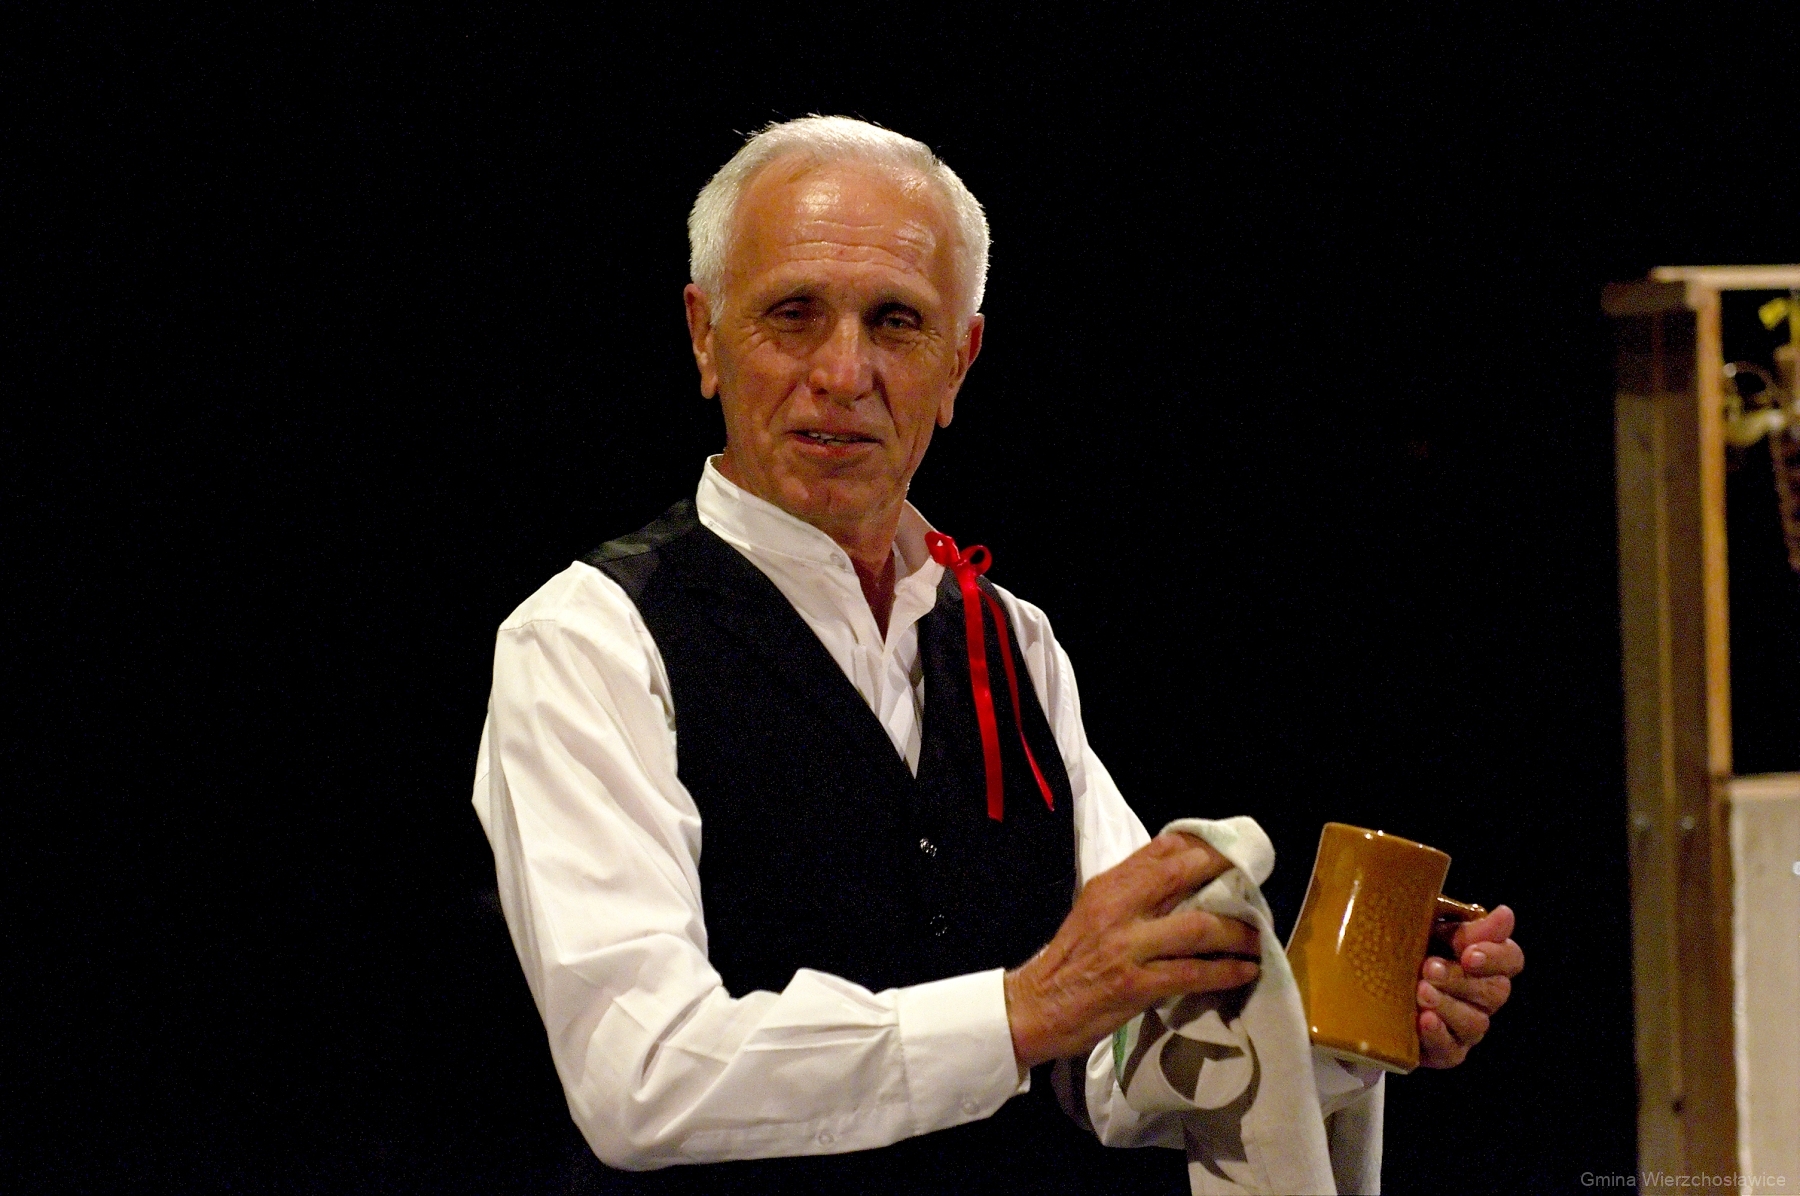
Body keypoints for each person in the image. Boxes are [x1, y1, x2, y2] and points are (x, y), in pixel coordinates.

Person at [471, 116, 1523, 1194]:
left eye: (896, 322)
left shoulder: (1011, 640)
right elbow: (642, 1073)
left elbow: (1117, 1058)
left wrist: (1337, 1033)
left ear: (958, 362)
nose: (844, 371)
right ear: (705, 336)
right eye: (794, 313)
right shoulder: (589, 641)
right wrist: (1020, 1012)